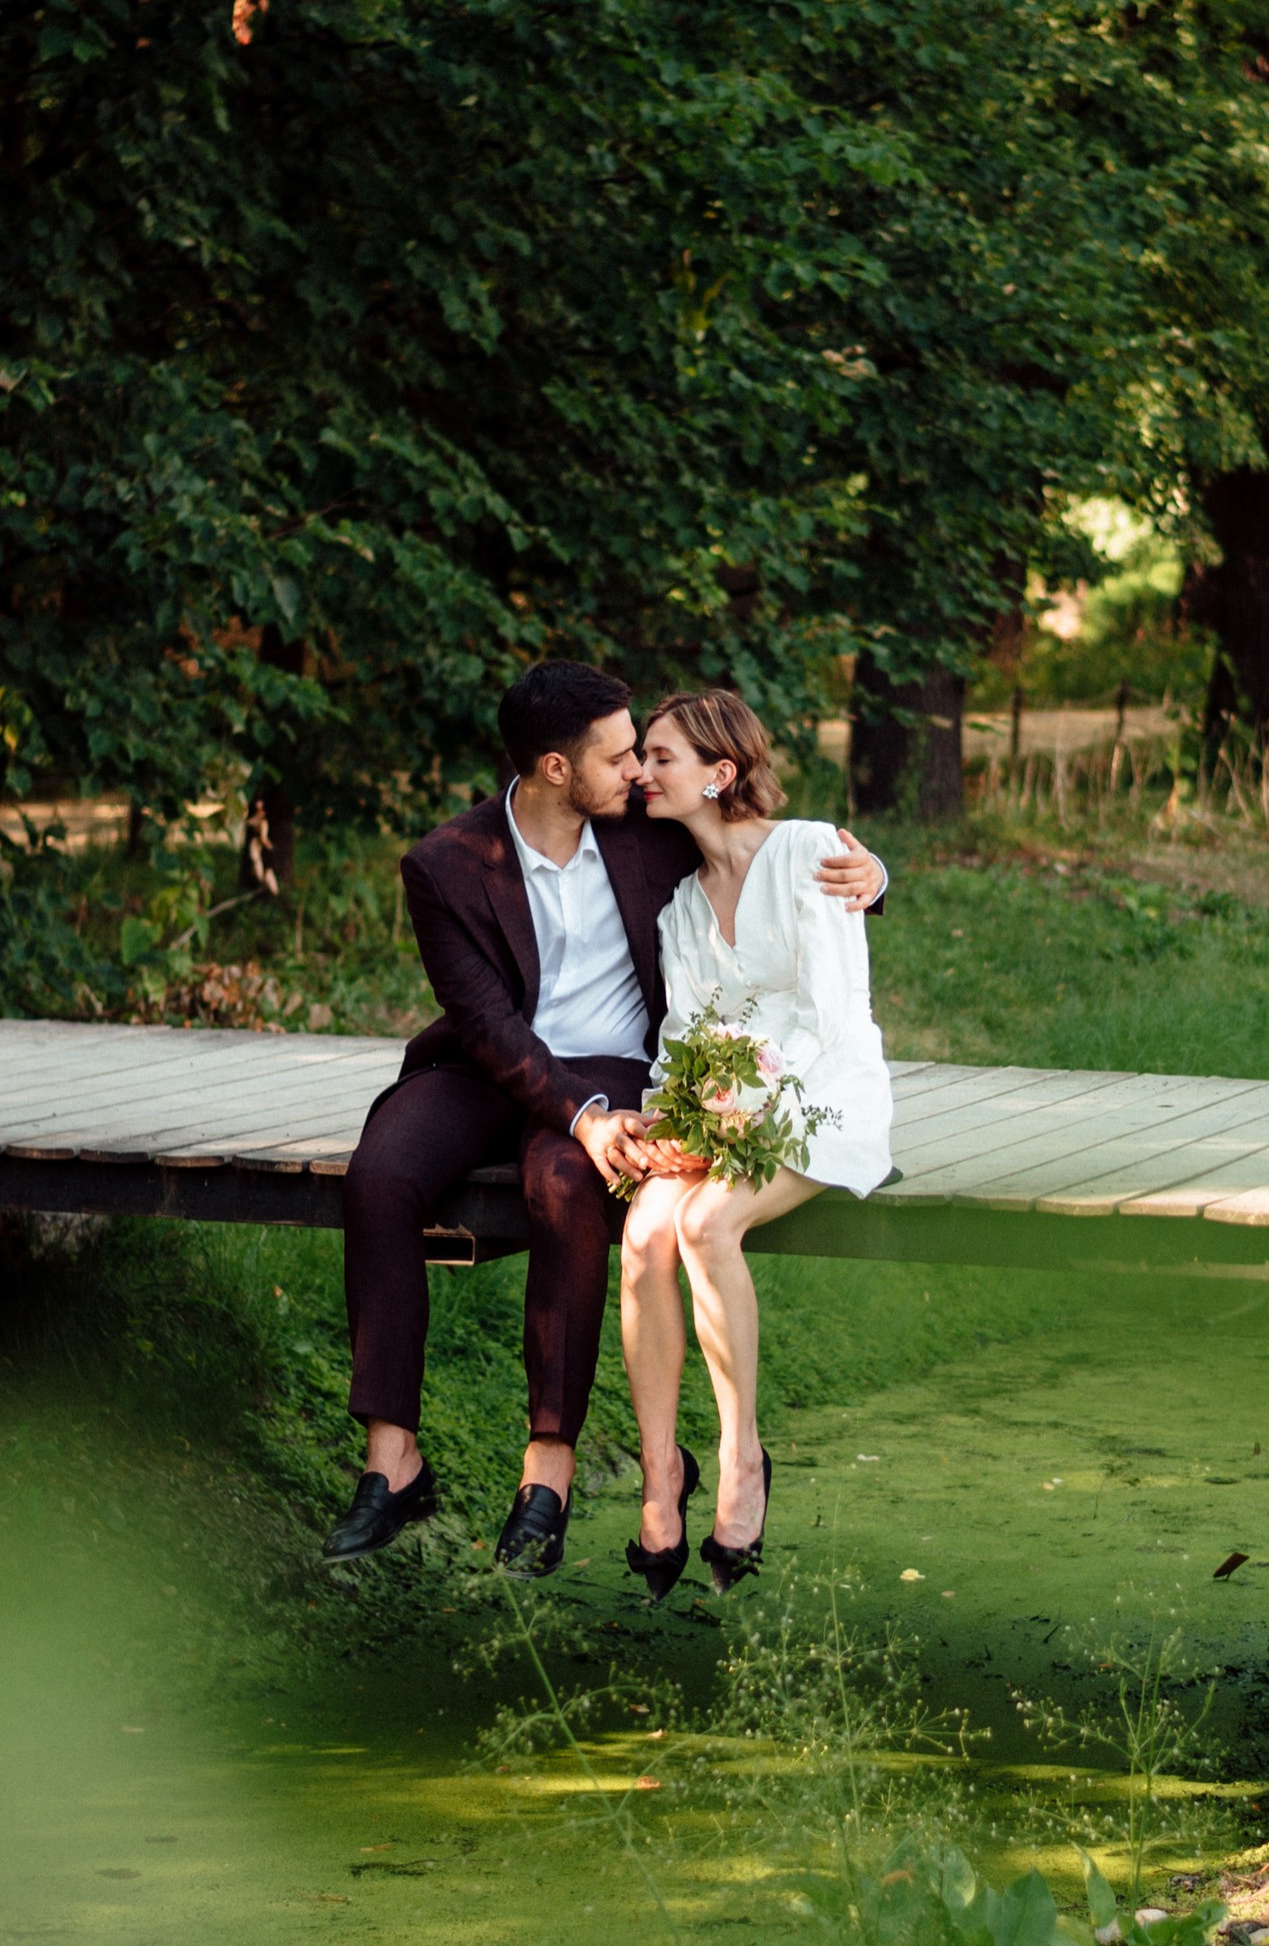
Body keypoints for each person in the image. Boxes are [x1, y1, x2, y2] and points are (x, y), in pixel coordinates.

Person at [320, 661, 886, 1577]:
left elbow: (762, 847)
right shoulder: (448, 865)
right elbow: (487, 1025)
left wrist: (874, 875)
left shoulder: (643, 821)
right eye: (620, 756)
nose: (636, 771)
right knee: (380, 1174)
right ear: (557, 768)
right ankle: (393, 1459)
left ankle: (549, 1466)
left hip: (617, 1063)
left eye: (643, 754)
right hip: (494, 1062)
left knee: (562, 1181)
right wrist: (582, 1116)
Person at [617, 690, 896, 1600]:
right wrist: (674, 1119)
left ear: (720, 772)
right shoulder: (681, 909)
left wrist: (750, 1109)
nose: (642, 773)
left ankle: (742, 1457)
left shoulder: (809, 853)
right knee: (644, 1231)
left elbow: (831, 1014)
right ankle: (661, 1470)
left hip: (822, 1096)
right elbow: (684, 1035)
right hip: (723, 1106)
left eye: (661, 757)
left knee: (704, 1225)